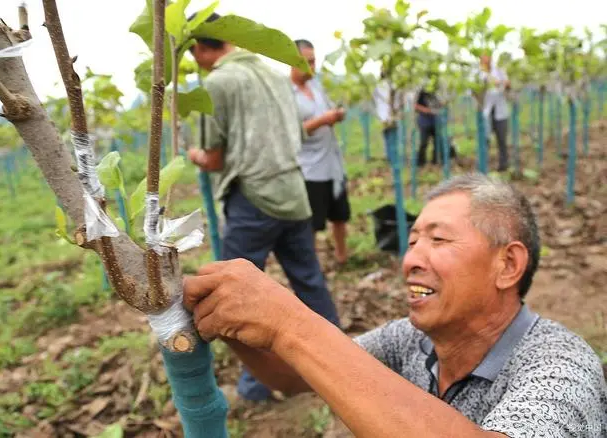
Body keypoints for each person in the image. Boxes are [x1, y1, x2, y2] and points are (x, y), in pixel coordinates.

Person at [182, 173, 607, 437]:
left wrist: (291, 323)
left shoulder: (560, 366)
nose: (410, 260)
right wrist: (227, 319)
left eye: (438, 240)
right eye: (412, 241)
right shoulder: (410, 340)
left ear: (508, 264)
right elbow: (296, 378)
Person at [185, 12, 340, 402]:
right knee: (309, 281)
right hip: (293, 192)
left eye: (192, 52)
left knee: (231, 295)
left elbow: (215, 159)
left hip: (252, 199)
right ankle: (342, 362)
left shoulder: (217, 82)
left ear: (201, 48)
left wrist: (195, 155)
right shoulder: (275, 75)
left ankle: (256, 387)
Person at [290, 39, 351, 264]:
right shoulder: (287, 94)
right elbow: (290, 131)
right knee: (312, 223)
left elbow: (329, 112)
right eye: (307, 62)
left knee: (340, 215)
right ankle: (311, 265)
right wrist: (323, 120)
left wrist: (336, 115)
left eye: (314, 61)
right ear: (292, 62)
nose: (312, 67)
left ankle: (342, 256)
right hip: (309, 169)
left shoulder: (317, 87)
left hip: (333, 164)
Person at [480, 53, 510, 172]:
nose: (485, 59)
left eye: (487, 56)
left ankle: (503, 165)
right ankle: (483, 166)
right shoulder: (478, 73)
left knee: (501, 139)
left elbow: (508, 84)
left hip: (500, 110)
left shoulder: (499, 71)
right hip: (486, 111)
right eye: (482, 57)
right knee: (485, 140)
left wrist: (501, 83)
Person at [414, 81, 441, 167]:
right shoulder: (422, 93)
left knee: (437, 141)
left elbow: (439, 105)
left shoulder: (435, 93)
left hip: (435, 121)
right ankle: (421, 162)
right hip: (424, 122)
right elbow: (416, 106)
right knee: (424, 142)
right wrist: (426, 110)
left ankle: (435, 160)